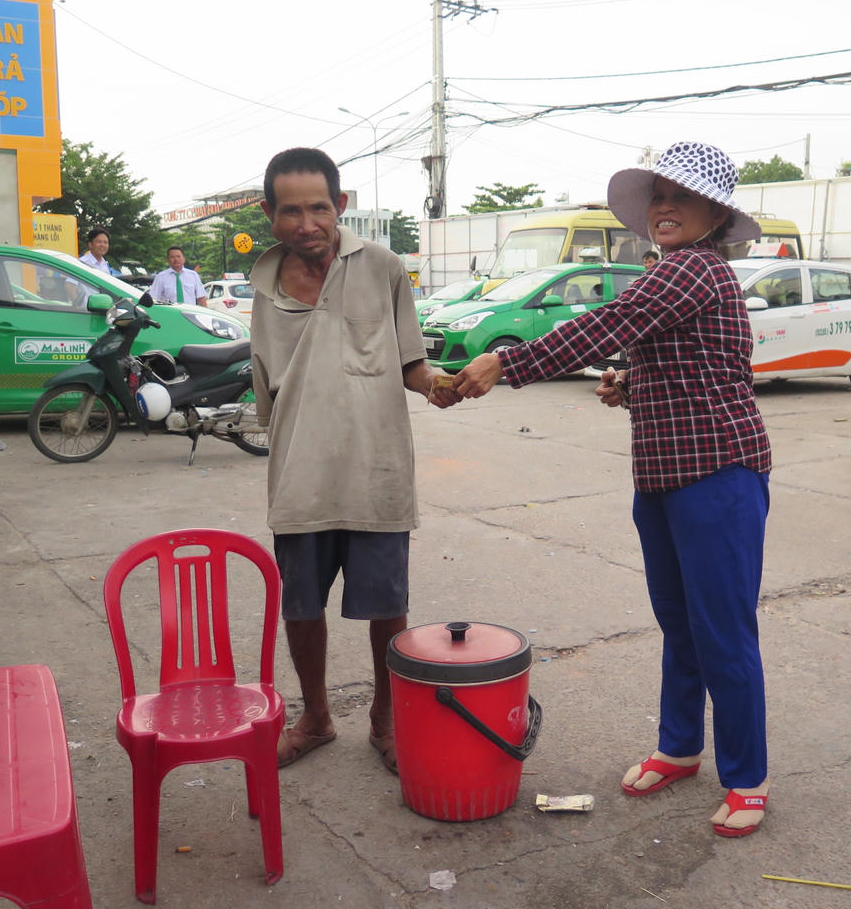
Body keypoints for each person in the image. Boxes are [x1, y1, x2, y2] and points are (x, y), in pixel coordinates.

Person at [454, 141, 774, 837]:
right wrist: (631, 384)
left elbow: (607, 324)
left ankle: (748, 779)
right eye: (657, 195)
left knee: (723, 633)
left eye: (680, 196)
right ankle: (680, 747)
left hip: (719, 475)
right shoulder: (679, 275)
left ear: (715, 213)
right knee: (680, 626)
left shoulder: (693, 269)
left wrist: (506, 361)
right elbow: (705, 365)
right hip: (663, 477)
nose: (664, 207)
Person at [248, 147, 460, 774]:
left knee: (386, 605)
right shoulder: (262, 287)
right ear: (270, 214)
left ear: (340, 206)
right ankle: (315, 717)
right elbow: (269, 388)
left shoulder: (384, 268)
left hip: (377, 470)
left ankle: (385, 721)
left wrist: (437, 383)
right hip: (300, 475)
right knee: (301, 607)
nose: (306, 223)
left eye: (319, 207)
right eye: (291, 211)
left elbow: (410, 362)